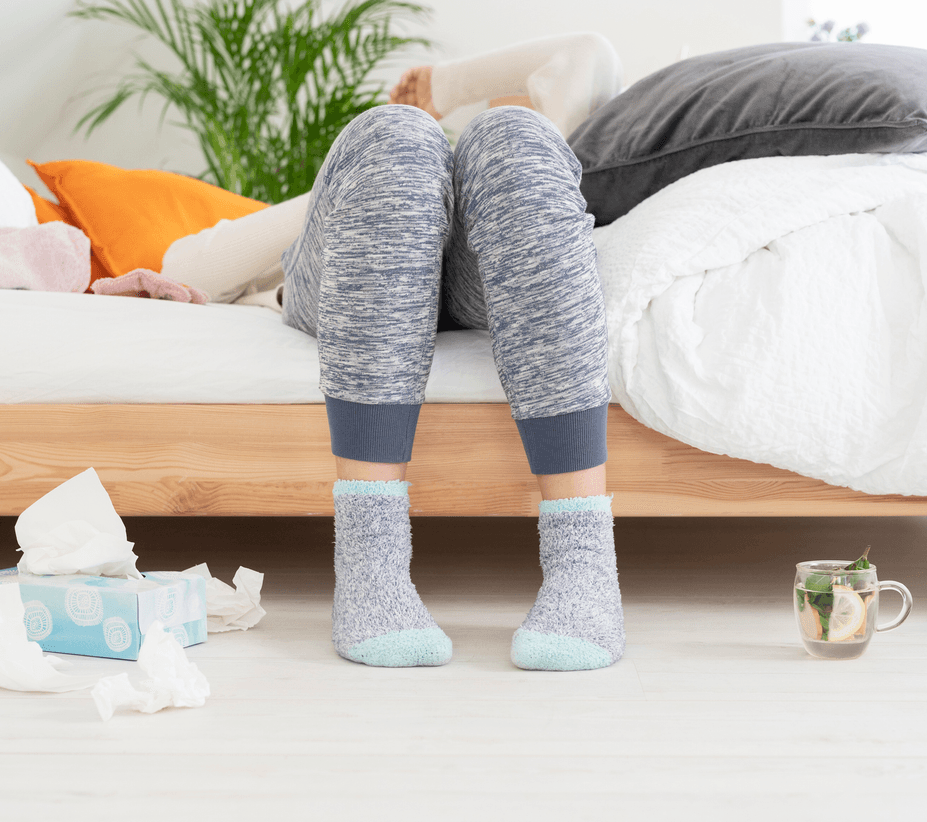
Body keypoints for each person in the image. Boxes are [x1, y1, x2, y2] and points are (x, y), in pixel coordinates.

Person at [162, 33, 626, 671]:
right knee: (395, 136)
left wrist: (452, 94)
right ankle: (370, 564)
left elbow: (589, 53)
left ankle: (584, 565)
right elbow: (189, 264)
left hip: (485, 270)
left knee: (516, 136)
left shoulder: (528, 141)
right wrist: (411, 155)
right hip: (352, 265)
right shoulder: (402, 143)